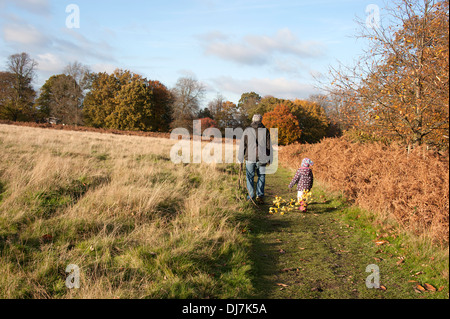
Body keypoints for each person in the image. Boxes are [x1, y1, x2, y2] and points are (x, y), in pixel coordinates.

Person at [238, 114, 273, 204]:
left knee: (249, 177)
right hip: (262, 157)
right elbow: (269, 146)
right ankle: (259, 196)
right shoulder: (265, 130)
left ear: (253, 120)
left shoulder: (247, 130)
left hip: (250, 157)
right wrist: (269, 158)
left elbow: (243, 145)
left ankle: (250, 196)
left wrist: (240, 158)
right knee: (261, 176)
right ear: (261, 120)